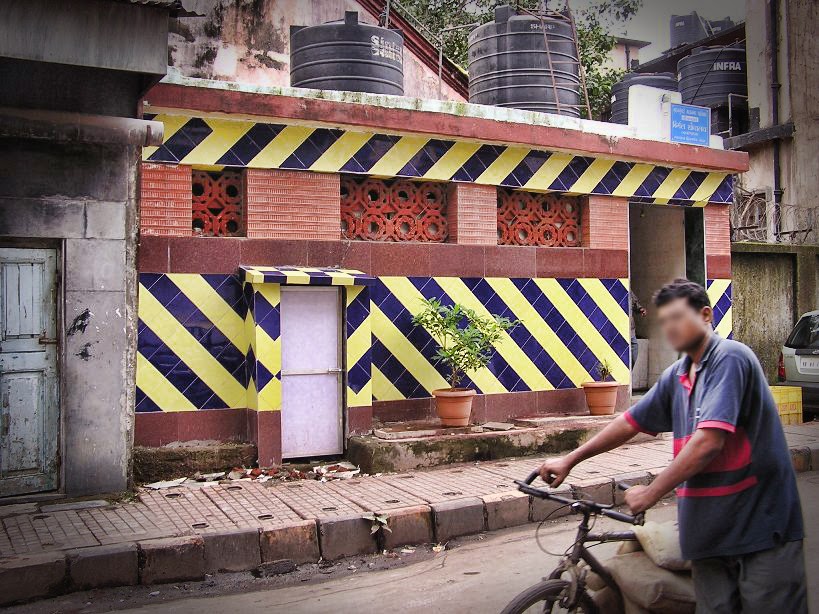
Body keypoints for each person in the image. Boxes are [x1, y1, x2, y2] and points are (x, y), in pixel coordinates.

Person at [538, 279, 807, 613]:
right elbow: (629, 422)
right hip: (708, 535)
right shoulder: (677, 375)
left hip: (760, 530)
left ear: (706, 315)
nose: (670, 327)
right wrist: (571, 460)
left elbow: (708, 442)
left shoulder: (731, 359)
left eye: (678, 317)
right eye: (664, 321)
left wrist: (650, 493)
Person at [630, 291, 647, 369]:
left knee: (634, 348)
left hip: (630, 328)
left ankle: (629, 371)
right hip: (618, 327)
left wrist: (640, 309)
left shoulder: (628, 289)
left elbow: (635, 303)